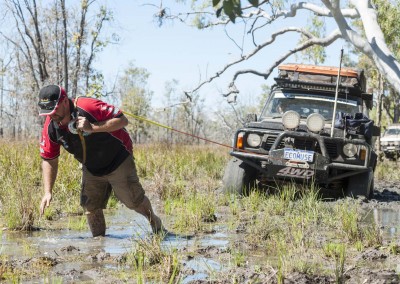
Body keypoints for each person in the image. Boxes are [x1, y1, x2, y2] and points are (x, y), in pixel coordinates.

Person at [38, 84, 165, 237]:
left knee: (133, 201)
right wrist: (47, 191)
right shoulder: (50, 127)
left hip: (118, 158)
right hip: (91, 167)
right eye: (47, 112)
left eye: (54, 110)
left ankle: (156, 224)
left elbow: (122, 120)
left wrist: (92, 127)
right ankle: (98, 244)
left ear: (65, 101)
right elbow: (49, 159)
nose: (51, 116)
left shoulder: (87, 106)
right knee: (90, 207)